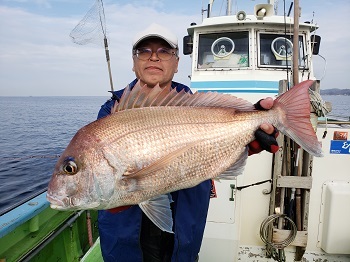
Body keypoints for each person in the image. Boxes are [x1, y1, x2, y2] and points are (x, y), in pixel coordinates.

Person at [97, 23, 278, 262]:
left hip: (183, 227)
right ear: (133, 61)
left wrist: (246, 138)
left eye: (164, 51)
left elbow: (214, 141)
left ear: (176, 62)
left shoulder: (197, 107)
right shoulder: (111, 111)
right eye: (144, 51)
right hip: (128, 234)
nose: (153, 57)